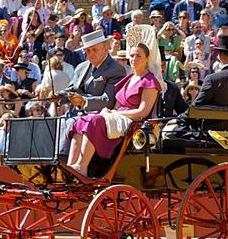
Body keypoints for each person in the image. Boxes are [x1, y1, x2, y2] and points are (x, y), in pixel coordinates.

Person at [67, 43, 160, 175]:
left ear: (147, 58)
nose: (134, 59)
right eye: (132, 56)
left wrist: (115, 113)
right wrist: (110, 111)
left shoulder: (149, 81)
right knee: (82, 121)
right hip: (118, 117)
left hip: (133, 122)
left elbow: (143, 112)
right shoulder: (129, 79)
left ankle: (82, 167)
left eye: (138, 56)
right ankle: (72, 166)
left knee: (94, 121)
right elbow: (117, 104)